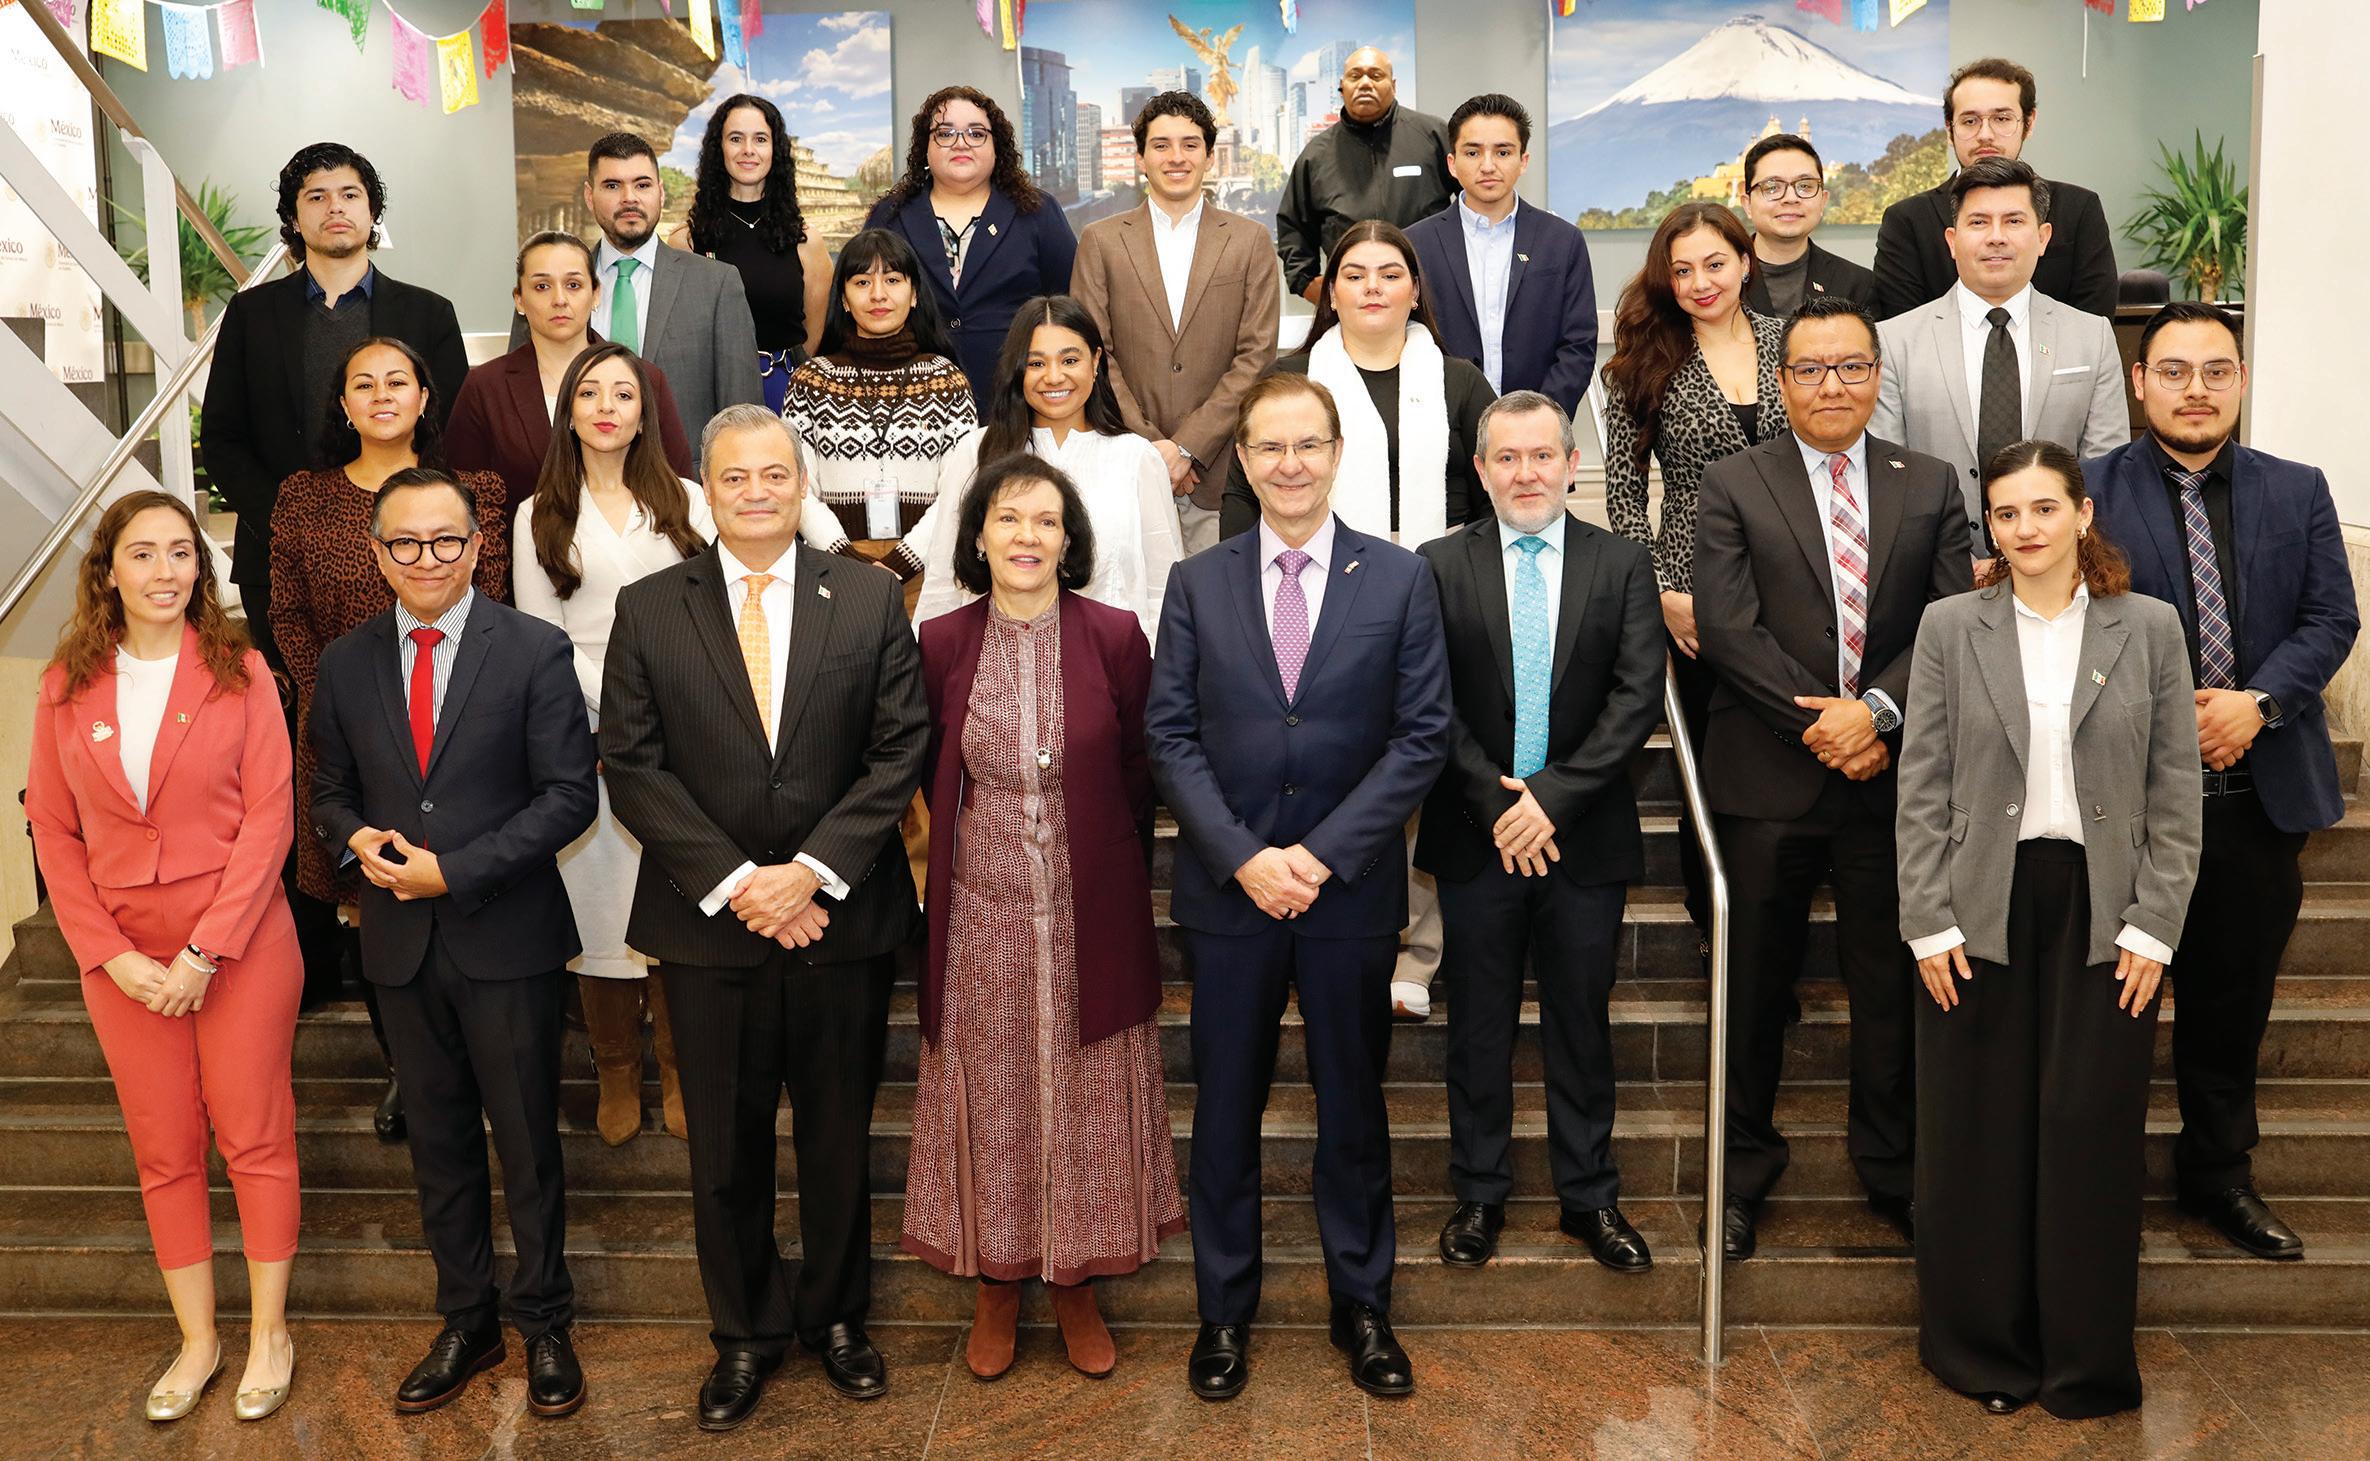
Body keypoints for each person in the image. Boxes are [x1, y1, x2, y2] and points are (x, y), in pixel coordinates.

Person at [599, 407, 928, 1430]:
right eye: (735, 477)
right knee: (725, 1152)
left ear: (802, 484)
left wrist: (812, 872)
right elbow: (632, 764)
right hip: (710, 928)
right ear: (706, 488)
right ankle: (743, 1332)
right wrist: (744, 881)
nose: (755, 492)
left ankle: (836, 1318)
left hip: (840, 923)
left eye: (774, 474)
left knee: (837, 1137)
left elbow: (899, 747)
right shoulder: (651, 606)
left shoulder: (867, 597)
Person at [1148, 373, 1451, 1402]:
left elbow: (1421, 739)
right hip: (1229, 896)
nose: (1289, 464)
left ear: (1336, 452)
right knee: (1225, 1111)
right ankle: (1223, 1312)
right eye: (1270, 447)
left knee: (1353, 1108)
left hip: (1348, 894)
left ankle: (1361, 1304)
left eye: (1307, 444)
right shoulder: (1197, 581)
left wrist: (1318, 857)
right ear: (1242, 459)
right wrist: (1245, 857)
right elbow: (1169, 736)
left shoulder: (1400, 578)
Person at [1897, 441, 2201, 1418]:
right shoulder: (1950, 626)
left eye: (2042, 508)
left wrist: (2154, 927)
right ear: (1989, 526)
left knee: (2088, 1134)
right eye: (2005, 512)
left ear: (2082, 514)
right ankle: (1981, 1352)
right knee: (1975, 1135)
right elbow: (1922, 785)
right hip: (1977, 904)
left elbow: (2176, 790)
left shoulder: (2148, 627)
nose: (2024, 528)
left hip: (2105, 910)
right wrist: (1927, 920)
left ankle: (2082, 1362)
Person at [307, 468, 598, 1419]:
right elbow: (329, 790)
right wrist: (353, 836)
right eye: (405, 542)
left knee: (528, 1142)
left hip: (506, 937)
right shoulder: (345, 663)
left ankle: (545, 1321)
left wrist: (455, 870)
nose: (426, 558)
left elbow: (569, 797)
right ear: (377, 553)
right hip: (400, 946)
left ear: (477, 546)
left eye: (445, 540)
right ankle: (467, 1320)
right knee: (437, 1145)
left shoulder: (534, 649)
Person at [1691, 294, 1972, 1261]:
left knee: (1891, 992)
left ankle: (1894, 1174)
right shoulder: (1733, 482)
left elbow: (1952, 624)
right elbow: (1727, 628)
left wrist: (1877, 713)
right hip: (1766, 779)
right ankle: (1739, 1179)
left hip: (1892, 783)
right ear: (1782, 383)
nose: (1832, 385)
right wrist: (1826, 724)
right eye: (1810, 369)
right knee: (1751, 992)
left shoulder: (1929, 482)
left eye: (1851, 366)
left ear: (1877, 376)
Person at [2088, 303, 2362, 1262]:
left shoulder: (2298, 488)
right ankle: (2096, 1182)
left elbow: (2332, 618)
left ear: (2240, 380)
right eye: (2173, 370)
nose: (2195, 389)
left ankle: (2219, 1174)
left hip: (2257, 798)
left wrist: (2259, 703)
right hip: (2122, 805)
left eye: (2215, 370)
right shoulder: (2085, 492)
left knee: (2231, 1003)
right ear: (2139, 383)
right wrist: (2172, 720)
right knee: (2108, 1006)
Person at [25, 492, 301, 1424]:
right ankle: (198, 1339)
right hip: (124, 961)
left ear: (200, 567)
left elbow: (270, 817)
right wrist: (108, 955)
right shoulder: (64, 686)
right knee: (164, 1149)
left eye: (181, 552)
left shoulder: (241, 671)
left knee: (253, 1137)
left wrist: (203, 951)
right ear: (108, 570)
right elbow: (54, 832)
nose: (164, 571)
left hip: (239, 941)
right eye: (142, 553)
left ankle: (269, 1333)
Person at [908, 455, 1184, 1381]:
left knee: (1086, 1095)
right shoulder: (941, 641)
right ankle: (996, 1281)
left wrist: (1092, 862)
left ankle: (1076, 1282)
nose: (1027, 536)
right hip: (979, 918)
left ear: (1069, 542)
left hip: (1087, 911)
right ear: (978, 537)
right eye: (1008, 518)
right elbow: (925, 769)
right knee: (993, 1098)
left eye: (1046, 521)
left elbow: (1142, 768)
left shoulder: (1113, 636)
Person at [1414, 394, 1662, 1274]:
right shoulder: (1437, 565)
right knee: (1477, 1025)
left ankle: (1589, 1195)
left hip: (1583, 836)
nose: (1527, 473)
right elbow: (1428, 699)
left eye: (1543, 455)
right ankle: (1479, 1192)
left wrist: (1550, 799)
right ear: (1481, 470)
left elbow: (1636, 696)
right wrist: (1498, 802)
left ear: (1570, 463)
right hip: (1475, 834)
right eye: (1508, 458)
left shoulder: (1622, 562)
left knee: (1580, 1023)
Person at [1218, 220, 1489, 1020]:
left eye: (1390, 272)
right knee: (1329, 761)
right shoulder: (1293, 377)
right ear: (1328, 290)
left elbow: (1487, 502)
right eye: (1354, 273)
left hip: (1434, 602)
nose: (1372, 286)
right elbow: (1244, 494)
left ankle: (1418, 951)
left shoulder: (1459, 380)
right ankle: (1308, 919)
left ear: (1415, 288)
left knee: (1420, 770)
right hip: (1310, 603)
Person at [271, 336, 510, 1142]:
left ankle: (477, 1064)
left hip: (457, 726)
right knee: (370, 906)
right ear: (343, 403)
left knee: (457, 884)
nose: (381, 394)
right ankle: (407, 1065)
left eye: (397, 380)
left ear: (423, 397)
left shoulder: (473, 491)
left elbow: (492, 596)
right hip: (346, 733)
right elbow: (285, 611)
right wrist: (336, 698)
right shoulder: (303, 497)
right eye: (363, 383)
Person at [512, 342, 717, 1148]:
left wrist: (664, 707)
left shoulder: (691, 502)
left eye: (623, 394)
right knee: (600, 903)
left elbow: (713, 614)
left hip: (688, 726)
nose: (606, 407)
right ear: (568, 410)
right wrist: (622, 705)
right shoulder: (537, 514)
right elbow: (542, 635)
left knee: (676, 897)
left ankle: (680, 1065)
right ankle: (618, 1068)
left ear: (644, 412)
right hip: (586, 728)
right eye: (589, 392)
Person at [1600, 201, 1787, 952]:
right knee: (1712, 769)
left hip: (1794, 584)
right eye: (1682, 271)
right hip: (1691, 593)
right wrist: (1658, 594)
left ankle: (1770, 926)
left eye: (1715, 263)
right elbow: (1623, 495)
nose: (1701, 282)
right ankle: (1718, 928)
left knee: (1784, 761)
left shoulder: (1791, 344)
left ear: (1746, 261)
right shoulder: (1642, 362)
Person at [202, 141, 468, 666]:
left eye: (350, 194)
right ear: (294, 219)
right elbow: (223, 438)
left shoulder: (428, 313)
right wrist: (288, 525)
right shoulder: (251, 314)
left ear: (372, 212)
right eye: (316, 197)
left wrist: (409, 524)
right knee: (300, 706)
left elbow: (451, 431)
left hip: (410, 556)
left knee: (422, 698)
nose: (335, 207)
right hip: (279, 560)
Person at [1872, 159, 2128, 540]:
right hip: (1935, 563)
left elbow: (2106, 473)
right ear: (1952, 241)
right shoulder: (1894, 342)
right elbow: (1890, 477)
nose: (1996, 237)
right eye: (1978, 222)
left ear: (2042, 237)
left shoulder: (2092, 337)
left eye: (2013, 221)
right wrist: (1952, 562)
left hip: (2061, 561)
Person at [1072, 90, 1281, 555]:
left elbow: (1256, 357)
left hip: (1221, 477)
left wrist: (1186, 448)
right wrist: (1154, 450)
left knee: (1217, 600)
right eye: (1161, 145)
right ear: (1141, 159)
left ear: (1209, 157)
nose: (1176, 157)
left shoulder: (1250, 241)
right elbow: (1092, 356)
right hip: (1125, 468)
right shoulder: (1100, 242)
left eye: (1190, 145)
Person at [913, 296, 1182, 642]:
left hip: (1111, 665)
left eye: (1070, 360)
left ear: (1096, 361)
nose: (1054, 377)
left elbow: (1164, 589)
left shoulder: (1137, 457)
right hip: (995, 662)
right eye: (1036, 363)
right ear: (1017, 369)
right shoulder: (976, 452)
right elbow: (944, 581)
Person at [781, 227, 983, 599]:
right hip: (835, 573)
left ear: (914, 294)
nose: (878, 294)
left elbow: (962, 488)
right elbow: (797, 486)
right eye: (862, 282)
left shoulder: (947, 380)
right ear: (843, 299)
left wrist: (903, 562)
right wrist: (847, 560)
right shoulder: (810, 381)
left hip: (929, 570)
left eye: (892, 280)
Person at [518, 132, 762, 439]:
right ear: (589, 196)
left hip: (682, 468)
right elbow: (518, 400)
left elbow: (743, 417)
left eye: (642, 185)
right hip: (573, 466)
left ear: (660, 193)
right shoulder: (546, 289)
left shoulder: (716, 285)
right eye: (612, 185)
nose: (629, 198)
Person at [446, 231, 696, 512]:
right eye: (542, 286)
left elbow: (678, 486)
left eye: (573, 285)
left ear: (596, 293)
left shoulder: (644, 379)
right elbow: (462, 499)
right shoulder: (486, 387)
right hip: (522, 538)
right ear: (519, 299)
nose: (559, 299)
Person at [865, 86, 1078, 414]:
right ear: (925, 146)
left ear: (996, 147)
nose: (961, 143)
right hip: (911, 402)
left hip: (1018, 401)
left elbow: (1069, 305)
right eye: (945, 133)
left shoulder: (1037, 211)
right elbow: (861, 300)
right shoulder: (890, 216)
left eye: (976, 133)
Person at [1872, 58, 2117, 321]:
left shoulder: (2078, 209)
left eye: (2001, 119)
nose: (1985, 135)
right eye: (1970, 121)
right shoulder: (1907, 220)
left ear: (2029, 122)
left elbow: (2092, 325)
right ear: (1949, 129)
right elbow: (1904, 331)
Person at [1404, 94, 1598, 414]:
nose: (1488, 166)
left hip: (1537, 424)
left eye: (1503, 152)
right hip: (1443, 424)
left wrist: (1543, 416)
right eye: (1472, 152)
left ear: (1523, 161)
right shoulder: (1414, 243)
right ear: (1452, 163)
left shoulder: (1562, 241)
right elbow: (1404, 338)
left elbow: (1578, 344)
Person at [668, 94, 834, 412]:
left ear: (775, 149)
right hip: (713, 397)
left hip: (785, 394)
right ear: (719, 148)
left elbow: (815, 335)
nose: (748, 150)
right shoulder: (686, 242)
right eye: (735, 139)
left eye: (760, 139)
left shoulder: (806, 242)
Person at [1275, 48, 1453, 303]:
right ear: (1342, 87)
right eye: (1355, 76)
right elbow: (1293, 228)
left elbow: (1473, 200)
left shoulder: (1433, 136)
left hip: (1431, 297)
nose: (1365, 83)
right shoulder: (1316, 155)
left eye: (1376, 75)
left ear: (1393, 85)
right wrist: (1307, 283)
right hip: (1355, 304)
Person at [1740, 132, 1877, 317]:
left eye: (1805, 186)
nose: (1791, 198)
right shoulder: (1717, 278)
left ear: (1823, 201)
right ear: (1747, 204)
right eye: (1772, 187)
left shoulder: (1857, 284)